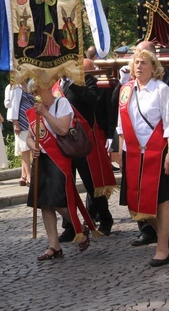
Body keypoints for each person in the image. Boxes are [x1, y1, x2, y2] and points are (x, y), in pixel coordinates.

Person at [117, 48, 169, 267]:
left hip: (157, 151)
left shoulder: (161, 89)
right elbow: (120, 126)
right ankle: (165, 232)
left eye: (144, 62)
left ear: (153, 67)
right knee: (135, 204)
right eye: (136, 62)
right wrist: (119, 154)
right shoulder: (126, 90)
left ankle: (162, 248)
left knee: (161, 200)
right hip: (132, 153)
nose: (138, 66)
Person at [26, 81, 94, 260]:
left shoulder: (61, 103)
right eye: (33, 93)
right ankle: (54, 246)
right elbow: (29, 136)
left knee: (57, 201)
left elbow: (63, 130)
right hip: (41, 160)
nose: (35, 96)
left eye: (37, 91)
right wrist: (33, 146)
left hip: (58, 159)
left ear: (47, 88)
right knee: (44, 203)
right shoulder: (34, 110)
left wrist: (45, 113)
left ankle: (79, 227)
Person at [54, 65, 116, 238]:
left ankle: (105, 219)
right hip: (64, 141)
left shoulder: (86, 79)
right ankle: (70, 226)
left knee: (92, 184)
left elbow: (92, 100)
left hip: (82, 139)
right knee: (67, 184)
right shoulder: (56, 84)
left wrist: (73, 83)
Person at [10, 80, 35, 186]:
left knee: (32, 147)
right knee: (24, 149)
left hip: (32, 119)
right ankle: (29, 176)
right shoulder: (15, 87)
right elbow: (13, 106)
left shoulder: (29, 85)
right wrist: (15, 123)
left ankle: (26, 175)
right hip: (22, 121)